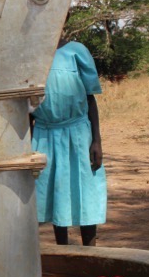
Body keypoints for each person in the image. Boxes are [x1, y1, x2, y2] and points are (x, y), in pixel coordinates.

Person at [31, 23, 107, 246]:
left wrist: (97, 141)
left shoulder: (76, 51)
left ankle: (90, 253)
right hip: (44, 134)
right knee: (56, 192)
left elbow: (90, 98)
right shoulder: (31, 56)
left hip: (78, 134)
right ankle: (63, 252)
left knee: (85, 191)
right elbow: (27, 106)